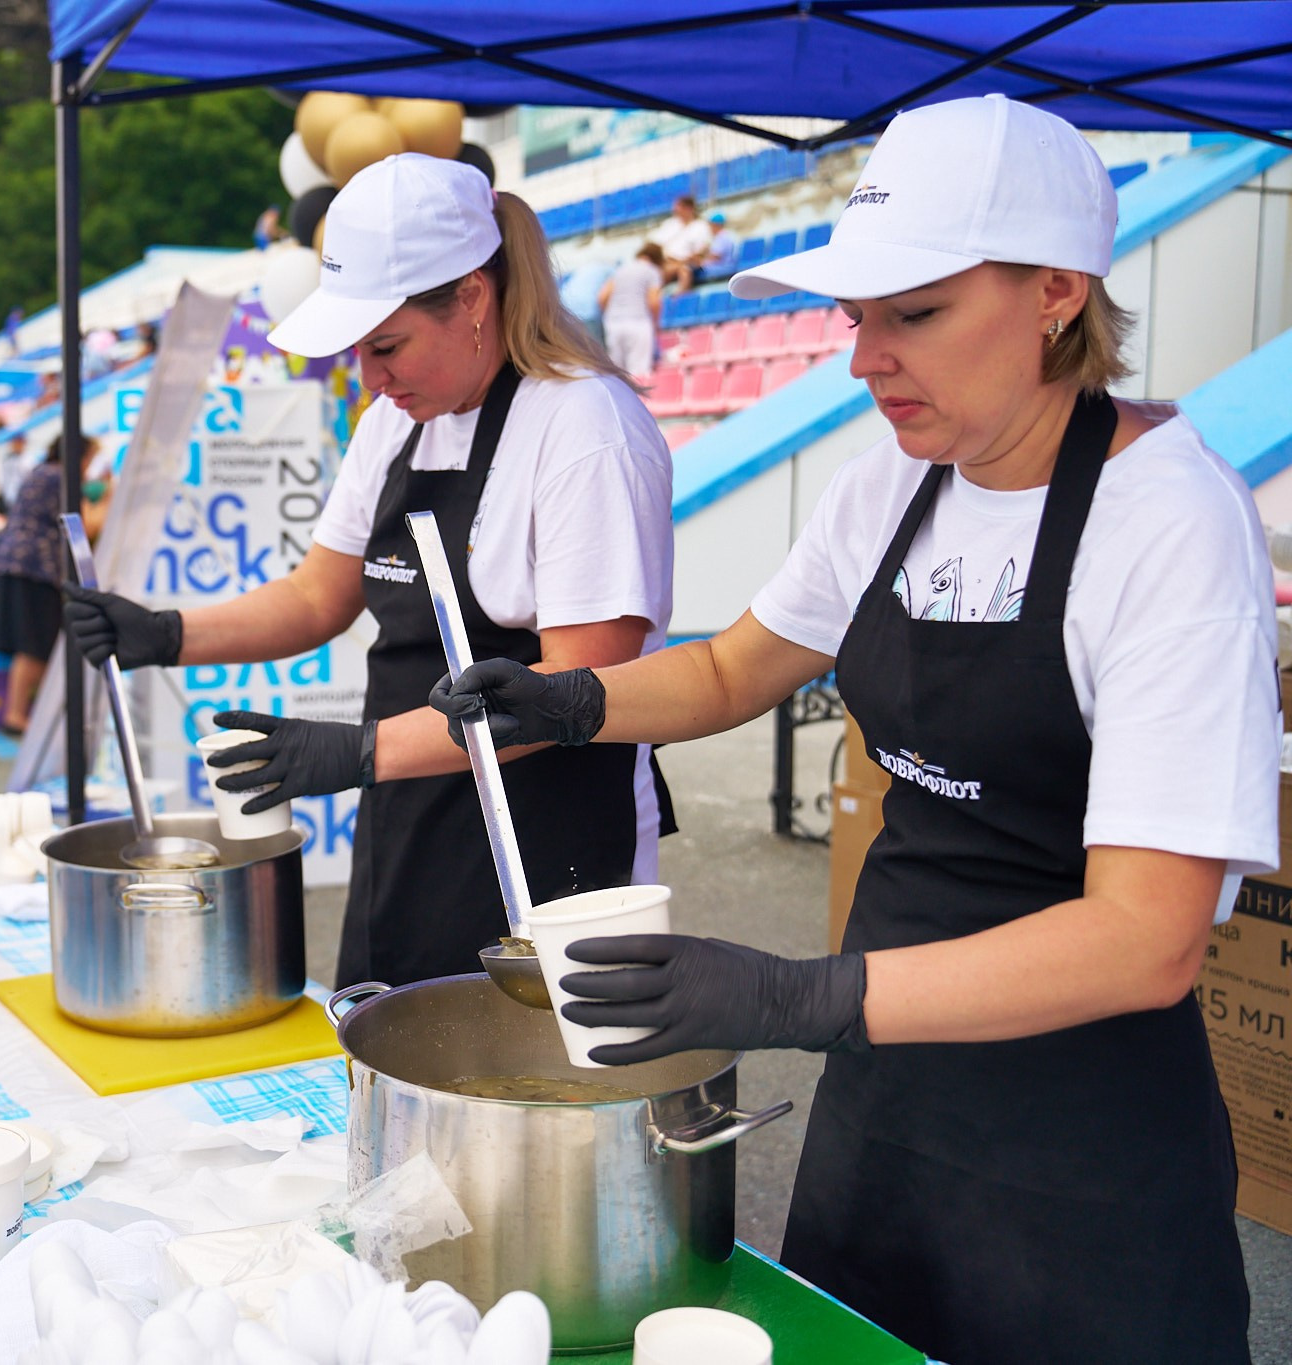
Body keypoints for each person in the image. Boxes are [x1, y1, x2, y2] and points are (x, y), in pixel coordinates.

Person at [431, 95, 1265, 1364]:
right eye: (855, 316)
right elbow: (726, 672)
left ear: (1056, 291)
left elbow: (1143, 938)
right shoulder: (894, 478)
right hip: (885, 1097)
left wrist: (792, 992)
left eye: (913, 314)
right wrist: (571, 700)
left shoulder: (1167, 521)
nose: (865, 358)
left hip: (1082, 1153)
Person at [66, 153, 676, 988]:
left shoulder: (583, 427)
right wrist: (164, 634)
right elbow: (319, 595)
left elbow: (578, 687)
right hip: (410, 821)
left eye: (386, 346)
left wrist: (360, 749)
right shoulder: (396, 424)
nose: (371, 377)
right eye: (358, 350)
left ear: (472, 297)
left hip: (552, 847)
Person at [0, 434, 108, 733]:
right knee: (35, 645)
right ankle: (17, 714)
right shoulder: (59, 478)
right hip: (36, 568)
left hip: (21, 564)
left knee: (34, 644)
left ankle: (26, 713)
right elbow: (88, 526)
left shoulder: (43, 473)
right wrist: (109, 497)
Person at [598, 243, 665, 379]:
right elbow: (653, 301)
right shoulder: (652, 271)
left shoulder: (620, 270)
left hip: (613, 323)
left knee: (618, 374)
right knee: (639, 373)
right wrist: (656, 323)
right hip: (638, 321)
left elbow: (602, 297)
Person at [646, 194, 712, 290]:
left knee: (684, 271)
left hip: (685, 264)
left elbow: (701, 251)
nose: (676, 210)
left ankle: (678, 299)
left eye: (679, 207)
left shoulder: (701, 226)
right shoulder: (669, 224)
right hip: (664, 262)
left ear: (689, 208)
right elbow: (654, 244)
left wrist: (682, 261)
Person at [690, 212, 739, 285]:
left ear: (716, 225)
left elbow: (716, 257)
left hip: (721, 267)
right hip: (718, 266)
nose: (709, 227)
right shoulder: (721, 236)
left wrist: (700, 258)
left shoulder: (722, 237)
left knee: (690, 270)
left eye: (710, 224)